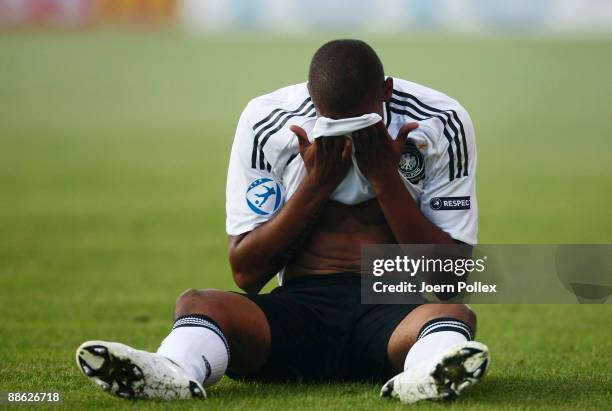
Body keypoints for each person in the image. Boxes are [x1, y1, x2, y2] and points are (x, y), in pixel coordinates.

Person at [75, 39, 489, 404]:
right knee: (198, 303)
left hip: (395, 314)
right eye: (334, 123)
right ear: (312, 99)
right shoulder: (268, 122)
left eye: (363, 124)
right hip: (300, 310)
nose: (349, 136)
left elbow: (448, 281)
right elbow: (247, 272)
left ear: (387, 91)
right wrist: (316, 185)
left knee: (453, 313)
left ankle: (426, 375)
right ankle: (172, 371)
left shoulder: (438, 121)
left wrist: (385, 179)